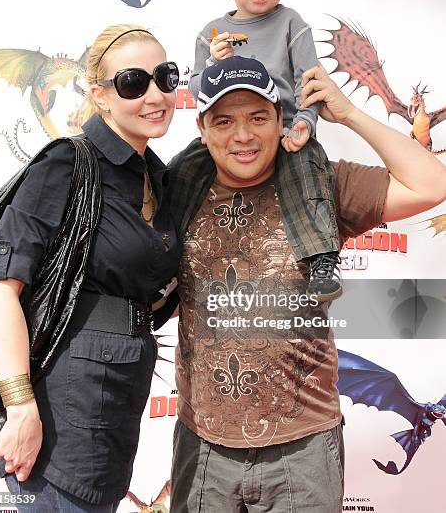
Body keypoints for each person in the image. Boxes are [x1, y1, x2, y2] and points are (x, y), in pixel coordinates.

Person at [167, 56, 446, 513]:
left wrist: (350, 114)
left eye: (258, 117)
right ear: (202, 128)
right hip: (204, 449)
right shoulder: (178, 189)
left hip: (304, 451)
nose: (243, 136)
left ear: (281, 119)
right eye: (224, 121)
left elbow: (432, 184)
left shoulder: (320, 183)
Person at [0, 24, 181, 511]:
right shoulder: (68, 163)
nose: (155, 95)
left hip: (116, 406)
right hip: (59, 410)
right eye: (133, 82)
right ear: (100, 96)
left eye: (165, 77)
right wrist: (20, 406)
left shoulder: (159, 177)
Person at [188, 0, 343, 301]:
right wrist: (212, 63)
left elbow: (311, 81)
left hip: (285, 128)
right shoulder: (212, 31)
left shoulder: (292, 23)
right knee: (182, 170)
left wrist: (304, 123)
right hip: (229, 133)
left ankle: (322, 260)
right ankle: (164, 262)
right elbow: (195, 88)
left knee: (308, 170)